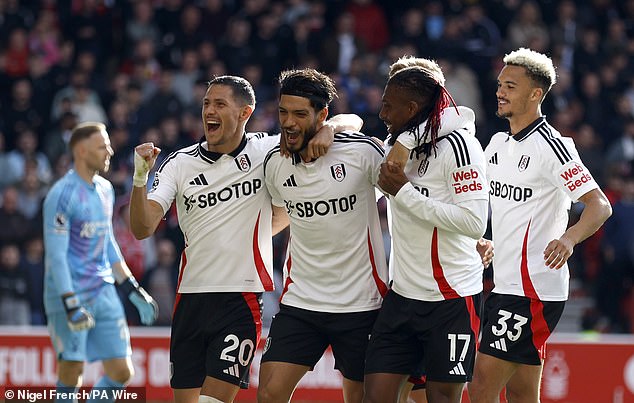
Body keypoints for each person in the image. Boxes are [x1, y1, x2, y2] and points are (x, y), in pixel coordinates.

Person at [129, 75, 361, 403]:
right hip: (190, 300)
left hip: (240, 299)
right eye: (206, 103)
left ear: (244, 113)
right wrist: (141, 176)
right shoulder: (180, 163)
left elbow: (352, 120)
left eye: (220, 104)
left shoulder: (266, 150)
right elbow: (142, 228)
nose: (209, 110)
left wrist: (330, 129)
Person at [468, 48, 612, 402]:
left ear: (536, 94)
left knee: (482, 384)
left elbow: (599, 205)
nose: (500, 92)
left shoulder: (553, 147)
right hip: (505, 283)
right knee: (521, 394)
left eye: (511, 86)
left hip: (533, 289)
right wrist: (488, 240)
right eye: (500, 84)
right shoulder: (497, 144)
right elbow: (503, 209)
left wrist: (569, 238)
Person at [257, 68, 388, 403]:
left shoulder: (362, 153)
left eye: (300, 114)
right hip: (302, 301)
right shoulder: (275, 162)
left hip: (362, 303)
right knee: (269, 393)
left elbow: (406, 200)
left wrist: (334, 128)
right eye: (283, 112)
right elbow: (285, 212)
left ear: (322, 114)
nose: (288, 122)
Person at [362, 58, 489, 403]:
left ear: (412, 107)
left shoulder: (460, 147)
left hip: (450, 301)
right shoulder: (398, 145)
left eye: (389, 105)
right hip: (401, 298)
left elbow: (474, 221)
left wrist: (404, 192)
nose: (382, 112)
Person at [43, 122, 158, 403]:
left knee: (121, 371)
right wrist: (70, 303)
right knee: (72, 371)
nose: (109, 150)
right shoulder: (61, 195)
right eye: (101, 146)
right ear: (81, 151)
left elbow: (108, 244)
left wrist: (132, 288)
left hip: (103, 289)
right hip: (69, 293)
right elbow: (56, 255)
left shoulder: (105, 189)